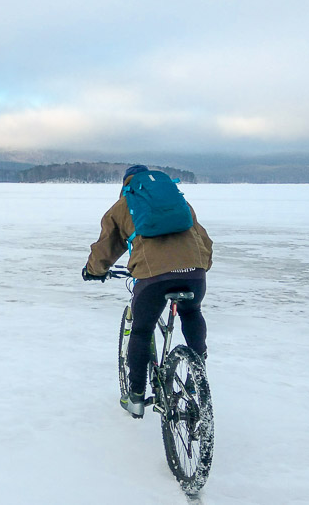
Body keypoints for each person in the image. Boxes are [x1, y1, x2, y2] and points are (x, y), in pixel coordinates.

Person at [82, 165, 213, 417]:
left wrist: (94, 270)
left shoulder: (124, 205)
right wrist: (199, 267)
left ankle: (137, 397)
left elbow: (106, 247)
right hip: (195, 273)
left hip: (153, 277)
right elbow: (203, 240)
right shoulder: (179, 202)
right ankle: (197, 377)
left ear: (126, 184)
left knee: (142, 330)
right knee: (192, 312)